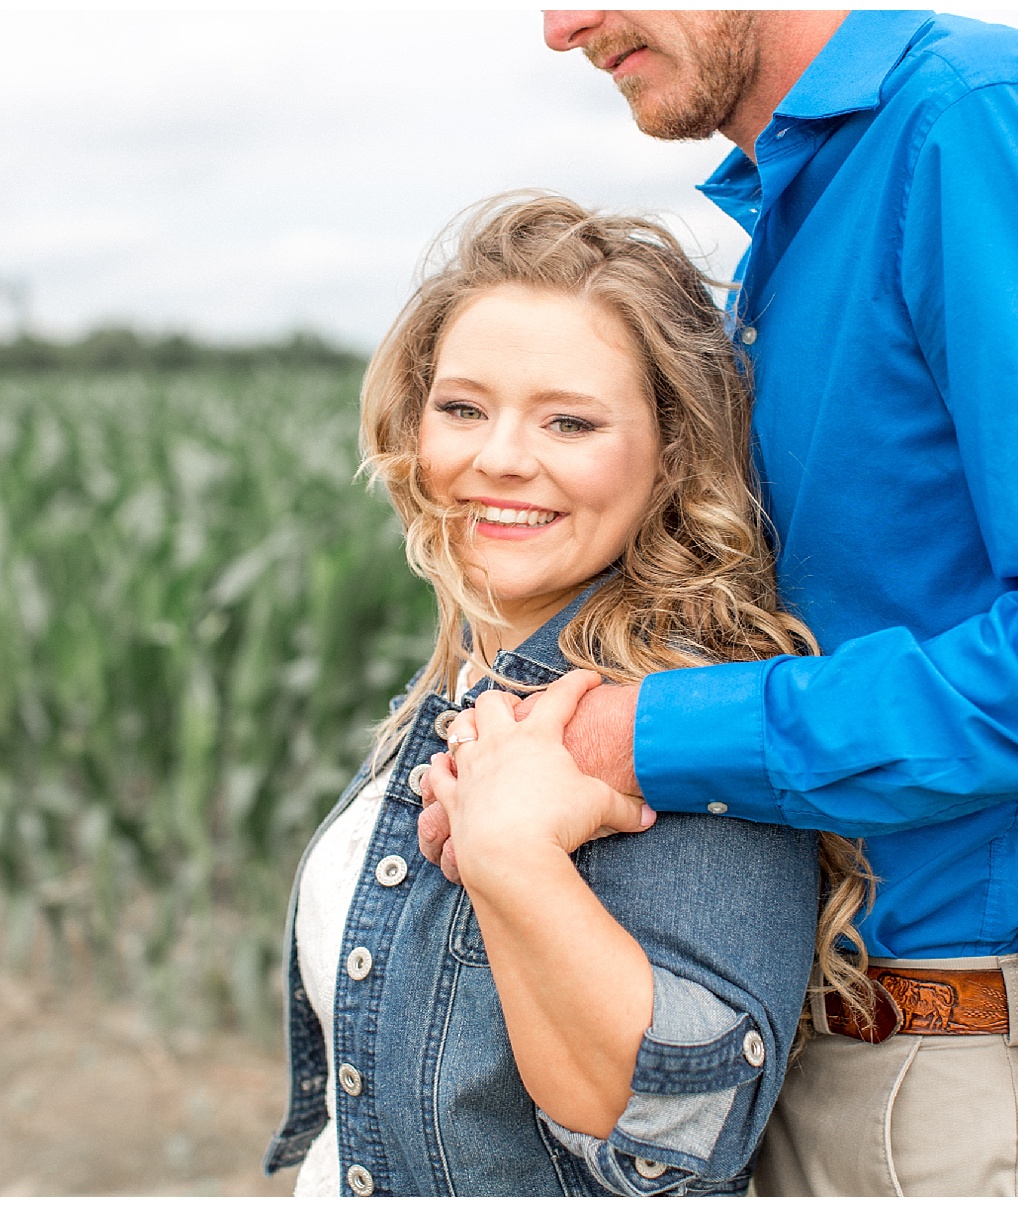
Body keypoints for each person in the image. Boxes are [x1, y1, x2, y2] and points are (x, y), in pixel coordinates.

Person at [421, 10, 1018, 1197]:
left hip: (969, 1081)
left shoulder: (981, 123)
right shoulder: (800, 211)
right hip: (823, 1051)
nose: (562, 27)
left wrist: (641, 735)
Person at [261, 193, 877, 1197]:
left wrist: (510, 855)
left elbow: (681, 1123)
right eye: (463, 407)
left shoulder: (681, 710)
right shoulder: (469, 675)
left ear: (673, 451)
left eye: (569, 420)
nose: (500, 456)